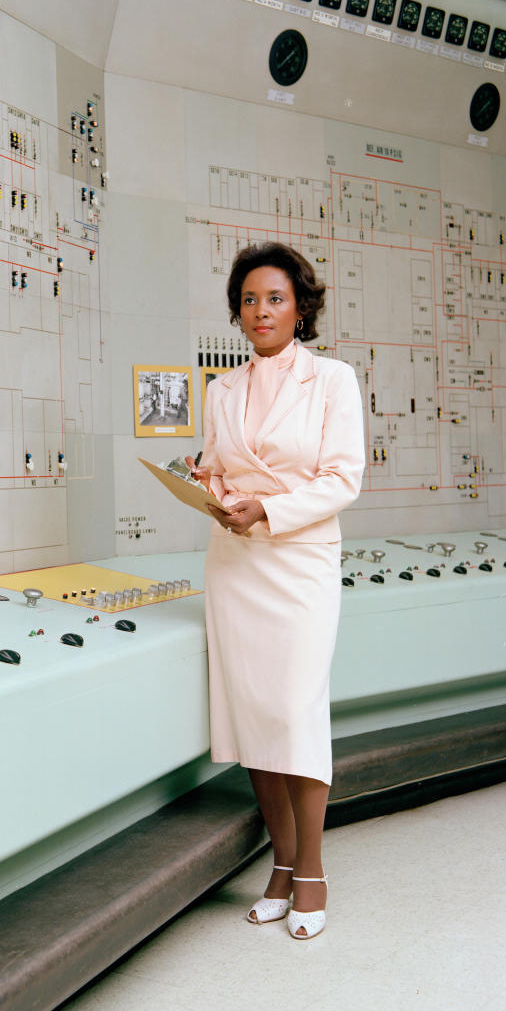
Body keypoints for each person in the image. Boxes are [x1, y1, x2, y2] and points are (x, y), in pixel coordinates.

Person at [184, 241, 364, 940]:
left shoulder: (333, 381)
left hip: (298, 562)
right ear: (238, 311)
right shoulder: (220, 390)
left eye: (276, 298)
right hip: (235, 563)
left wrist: (268, 508)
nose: (262, 310)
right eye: (251, 299)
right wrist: (210, 487)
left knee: (295, 710)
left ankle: (313, 868)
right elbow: (217, 466)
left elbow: (344, 477)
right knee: (253, 714)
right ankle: (282, 863)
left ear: (301, 307)